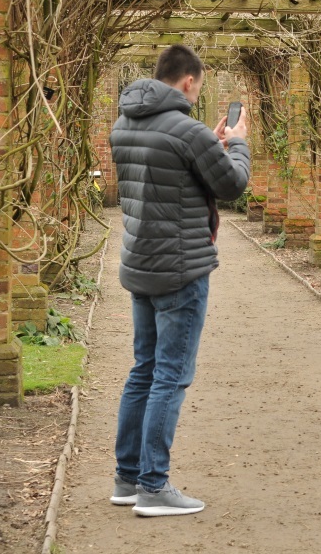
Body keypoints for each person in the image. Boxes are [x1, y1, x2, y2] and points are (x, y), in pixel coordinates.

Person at [108, 44, 251, 516]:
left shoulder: (124, 124)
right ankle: (154, 486)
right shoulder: (187, 132)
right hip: (181, 269)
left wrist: (207, 144)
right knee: (170, 374)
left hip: (141, 264)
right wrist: (239, 144)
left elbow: (167, 174)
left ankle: (127, 479)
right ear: (188, 82)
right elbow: (230, 186)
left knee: (143, 370)